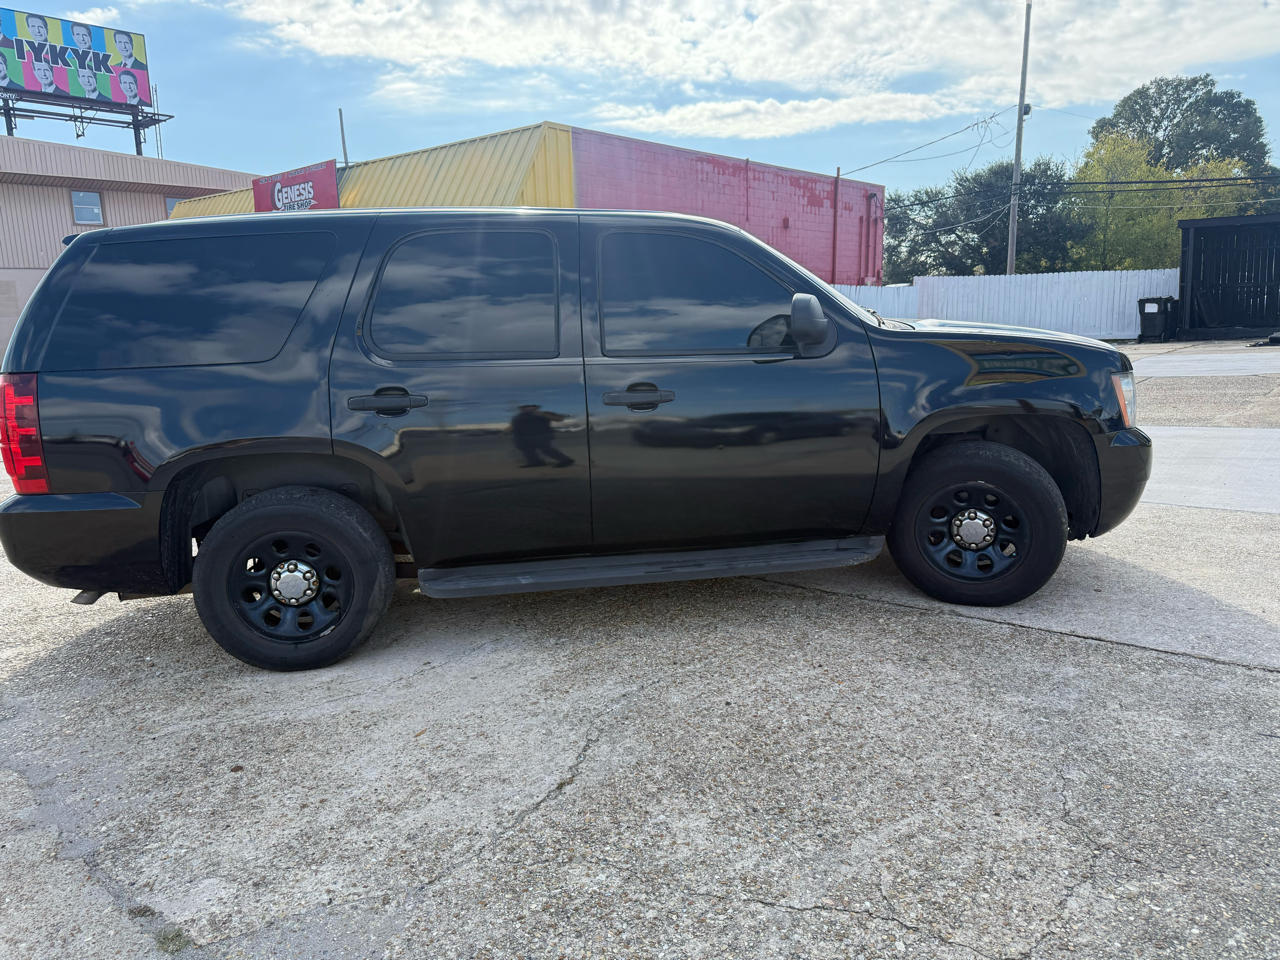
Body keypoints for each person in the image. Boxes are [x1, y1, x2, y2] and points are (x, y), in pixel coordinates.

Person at [508, 405, 575, 468]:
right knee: (527, 450)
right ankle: (535, 462)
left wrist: (542, 415)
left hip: (541, 435)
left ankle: (566, 460)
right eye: (524, 407)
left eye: (529, 407)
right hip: (522, 437)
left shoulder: (543, 414)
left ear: (535, 408)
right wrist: (506, 431)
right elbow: (514, 425)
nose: (526, 408)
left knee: (546, 449)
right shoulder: (519, 416)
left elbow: (559, 419)